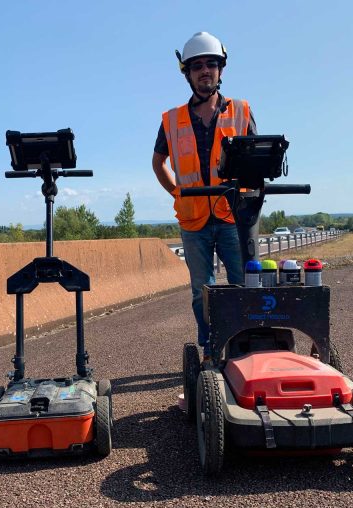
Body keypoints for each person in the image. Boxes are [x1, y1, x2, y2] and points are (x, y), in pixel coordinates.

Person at [152, 31, 257, 362]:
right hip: (193, 219)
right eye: (197, 66)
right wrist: (176, 193)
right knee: (202, 290)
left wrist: (249, 197)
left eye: (211, 64)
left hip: (232, 215)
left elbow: (257, 161)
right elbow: (159, 162)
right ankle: (211, 348)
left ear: (221, 69)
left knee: (243, 283)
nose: (204, 71)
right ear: (187, 73)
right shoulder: (172, 119)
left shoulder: (241, 111)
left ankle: (244, 347)